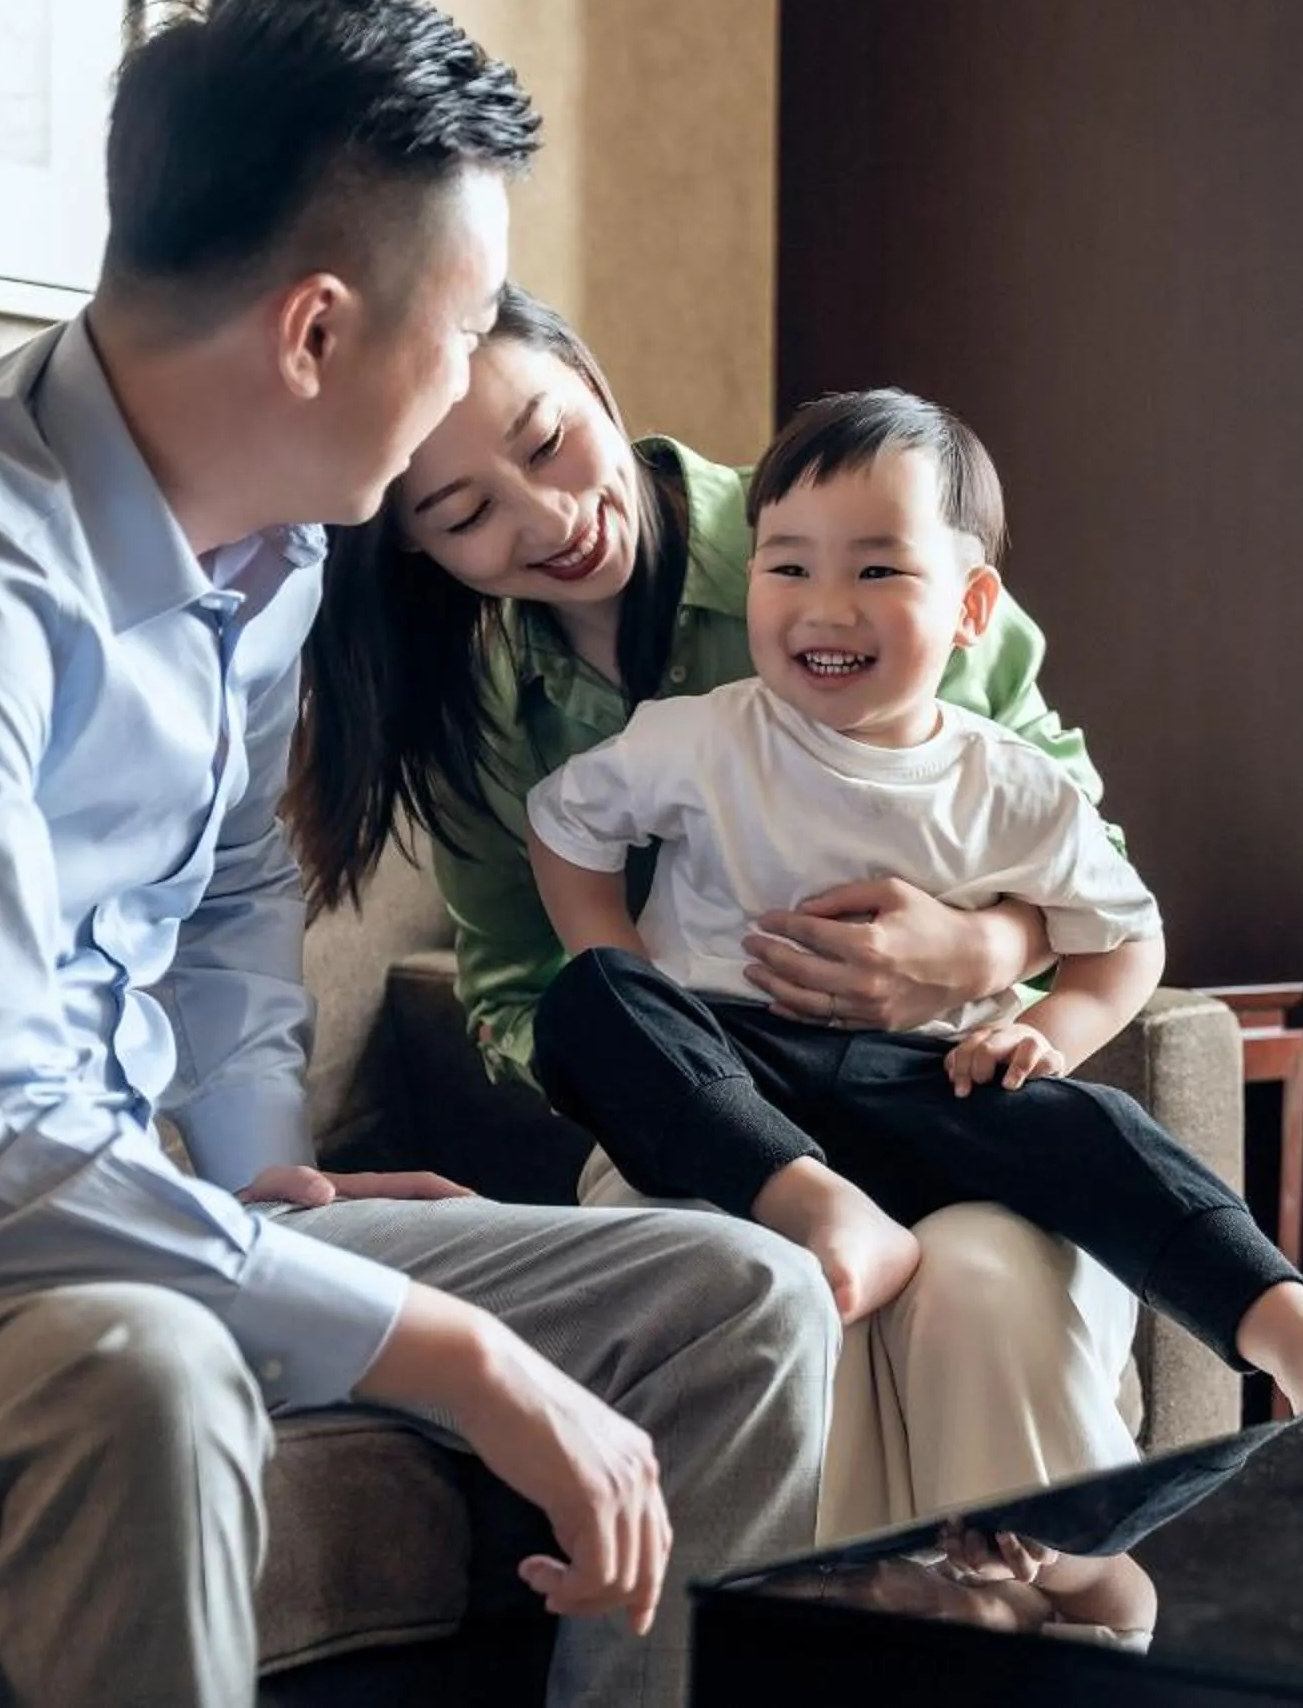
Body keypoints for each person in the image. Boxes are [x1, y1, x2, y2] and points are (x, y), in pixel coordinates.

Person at [0, 0, 836, 1708]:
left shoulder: (275, 547)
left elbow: (227, 886)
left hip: (86, 1204)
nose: (475, 366)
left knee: (736, 1299)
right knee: (143, 1366)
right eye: (463, 327)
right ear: (314, 328)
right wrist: (456, 1352)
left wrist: (247, 1171)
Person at [293, 293, 1146, 1536]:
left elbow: (1084, 859)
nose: (549, 516)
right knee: (772, 1300)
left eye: (545, 441)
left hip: (953, 1098)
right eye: (466, 513)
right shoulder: (483, 718)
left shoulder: (861, 526)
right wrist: (676, 1062)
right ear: (414, 545)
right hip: (697, 1147)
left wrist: (979, 946)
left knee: (988, 1289)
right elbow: (522, 993)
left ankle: (1052, 1640)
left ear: (589, 373)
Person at [522, 389, 1303, 1417]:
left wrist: (1050, 1031)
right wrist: (625, 964)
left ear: (972, 609)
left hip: (925, 1078)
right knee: (589, 1003)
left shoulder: (1010, 783)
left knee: (1099, 1127)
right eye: (788, 563)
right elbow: (564, 824)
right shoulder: (700, 737)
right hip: (731, 1063)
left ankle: (1302, 1340)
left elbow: (1125, 937)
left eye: (879, 568)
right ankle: (814, 1206)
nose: (826, 605)